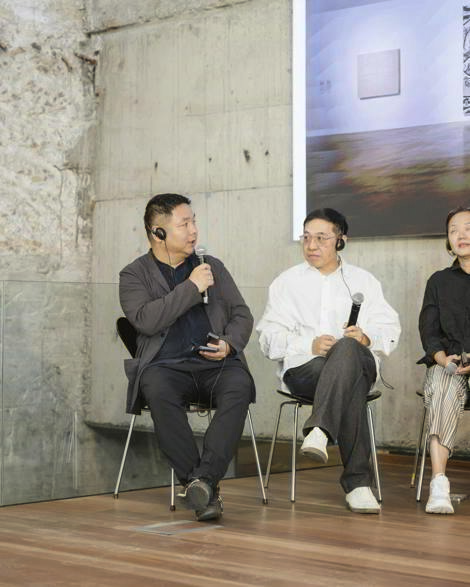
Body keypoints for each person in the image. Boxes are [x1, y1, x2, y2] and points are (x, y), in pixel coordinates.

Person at [119, 193, 255, 522]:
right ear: (158, 232)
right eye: (184, 224)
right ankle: (204, 489)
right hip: (166, 367)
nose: (194, 230)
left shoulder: (211, 266)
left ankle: (202, 483)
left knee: (239, 385)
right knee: (156, 388)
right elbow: (147, 321)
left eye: (194, 222)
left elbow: (242, 314)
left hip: (215, 364)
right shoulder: (133, 275)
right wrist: (192, 288)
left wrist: (229, 345)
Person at [256, 208, 400, 513]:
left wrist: (366, 338)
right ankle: (358, 484)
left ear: (341, 240)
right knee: (350, 384)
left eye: (321, 238)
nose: (311, 246)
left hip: (359, 363)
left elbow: (390, 330)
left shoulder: (364, 281)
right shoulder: (286, 282)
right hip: (305, 371)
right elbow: (267, 339)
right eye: (306, 238)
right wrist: (307, 344)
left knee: (347, 348)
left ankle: (320, 429)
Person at [417, 206, 470, 515]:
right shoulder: (438, 281)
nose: (461, 235)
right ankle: (439, 483)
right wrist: (441, 358)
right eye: (454, 231)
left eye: (468, 228)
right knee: (441, 385)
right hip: (450, 364)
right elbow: (429, 331)